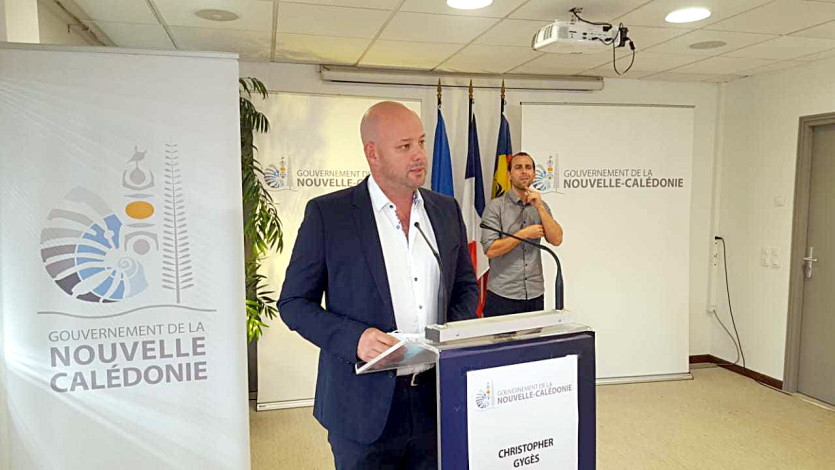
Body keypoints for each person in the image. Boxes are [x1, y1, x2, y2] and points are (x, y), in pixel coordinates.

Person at [278, 101, 478, 469]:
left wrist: (452, 335)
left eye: (421, 142)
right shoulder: (329, 215)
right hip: (361, 407)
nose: (420, 155)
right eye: (405, 146)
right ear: (373, 153)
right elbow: (293, 303)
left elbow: (465, 285)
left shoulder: (446, 210)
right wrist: (355, 339)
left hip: (436, 397)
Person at [480, 152, 563, 317]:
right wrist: (523, 234)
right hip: (503, 294)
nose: (524, 171)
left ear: (534, 174)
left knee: (533, 336)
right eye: (518, 167)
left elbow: (556, 239)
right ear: (509, 175)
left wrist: (540, 208)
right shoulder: (496, 207)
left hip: (534, 293)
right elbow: (490, 249)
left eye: (528, 167)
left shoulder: (541, 206)